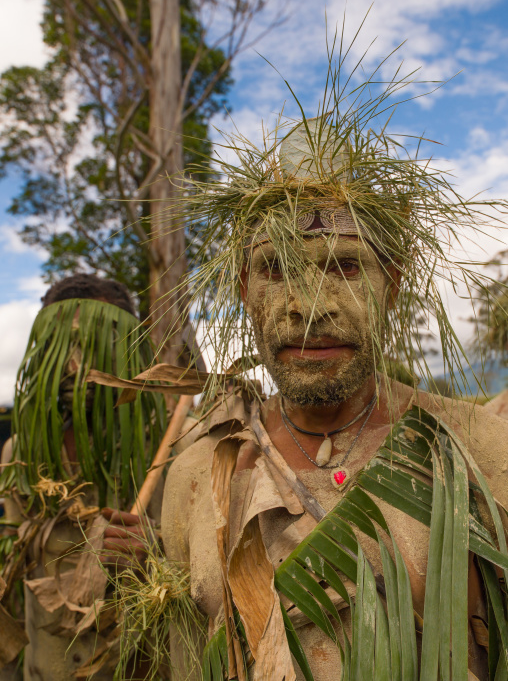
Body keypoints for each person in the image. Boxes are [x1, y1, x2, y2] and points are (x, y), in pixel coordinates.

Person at [158, 94, 508, 677]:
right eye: (277, 270)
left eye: (344, 266)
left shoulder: (479, 449)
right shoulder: (198, 475)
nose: (309, 307)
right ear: (245, 292)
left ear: (391, 286)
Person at [0, 274, 166, 681]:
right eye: (63, 345)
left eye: (91, 343)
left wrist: (159, 554)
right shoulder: (21, 453)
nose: (75, 364)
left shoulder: (175, 447)